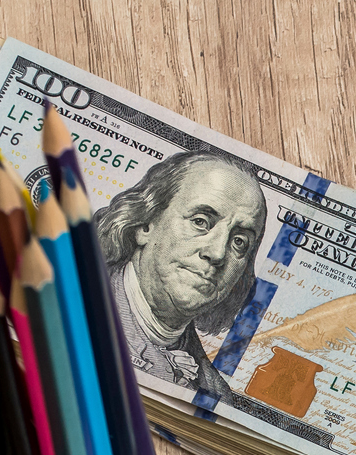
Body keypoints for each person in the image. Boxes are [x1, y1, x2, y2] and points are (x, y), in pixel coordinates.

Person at [93, 151, 269, 399]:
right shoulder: (67, 302)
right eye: (200, 221)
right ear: (146, 224)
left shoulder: (216, 396)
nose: (217, 253)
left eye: (239, 241)